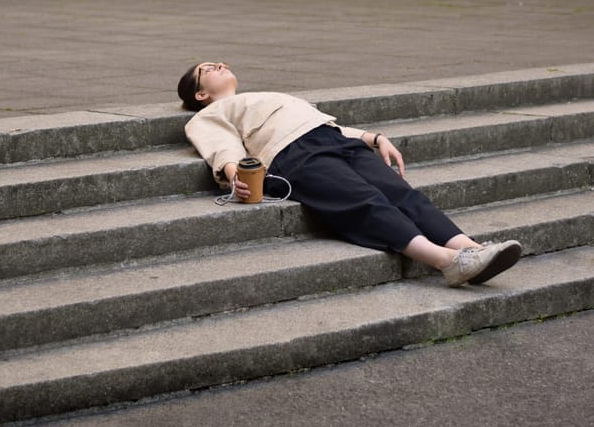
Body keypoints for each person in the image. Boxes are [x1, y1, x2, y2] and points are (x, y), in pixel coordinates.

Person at [178, 62, 522, 288]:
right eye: (208, 69)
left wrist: (373, 138)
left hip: (331, 138)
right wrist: (234, 171)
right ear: (201, 93)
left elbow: (325, 123)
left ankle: (472, 249)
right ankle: (447, 261)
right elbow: (221, 145)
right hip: (292, 154)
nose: (219, 64)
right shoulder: (209, 114)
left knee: (402, 194)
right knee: (366, 203)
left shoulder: (265, 95)